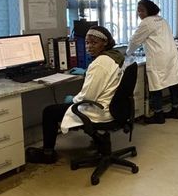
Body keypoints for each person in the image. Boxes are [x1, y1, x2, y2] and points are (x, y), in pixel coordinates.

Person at [25, 26, 124, 164]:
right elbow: (104, 76)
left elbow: (88, 97)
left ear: (105, 43)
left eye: (94, 43)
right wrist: (87, 72)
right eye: (87, 42)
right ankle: (99, 140)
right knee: (59, 108)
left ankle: (47, 154)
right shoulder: (114, 56)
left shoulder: (100, 63)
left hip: (100, 109)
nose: (89, 46)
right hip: (112, 106)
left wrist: (73, 99)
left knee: (49, 112)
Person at [127, 0, 178, 124]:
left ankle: (159, 115)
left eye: (142, 10)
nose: (139, 13)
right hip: (171, 55)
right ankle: (176, 110)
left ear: (149, 10)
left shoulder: (146, 23)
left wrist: (128, 53)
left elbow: (134, 41)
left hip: (158, 58)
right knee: (173, 82)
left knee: (156, 86)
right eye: (138, 10)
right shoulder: (162, 20)